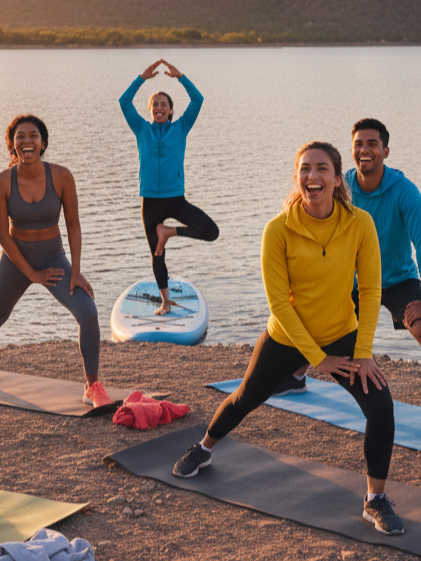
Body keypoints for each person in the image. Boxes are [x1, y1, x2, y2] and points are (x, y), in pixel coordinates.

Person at [172, 142, 404, 535]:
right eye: (305, 169)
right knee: (245, 397)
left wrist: (363, 352)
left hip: (341, 334)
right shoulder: (278, 230)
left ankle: (375, 500)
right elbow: (279, 303)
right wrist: (317, 359)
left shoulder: (360, 223)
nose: (313, 176)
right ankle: (205, 447)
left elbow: (370, 291)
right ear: (297, 178)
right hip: (287, 336)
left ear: (337, 178)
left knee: (381, 407)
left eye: (322, 168)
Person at [275, 118, 421, 449]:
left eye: (372, 144)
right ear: (351, 150)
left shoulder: (404, 192)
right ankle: (297, 376)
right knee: (314, 316)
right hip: (355, 280)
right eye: (359, 144)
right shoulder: (342, 186)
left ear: (385, 151)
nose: (365, 150)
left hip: (398, 279)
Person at [0, 115, 111, 408]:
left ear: (43, 142)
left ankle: (92, 386)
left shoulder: (62, 176)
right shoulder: (1, 182)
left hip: (54, 258)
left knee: (88, 312)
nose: (27, 141)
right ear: (12, 144)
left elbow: (73, 224)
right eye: (20, 136)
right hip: (15, 261)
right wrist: (30, 273)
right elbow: (2, 235)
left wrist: (76, 271)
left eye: (33, 136)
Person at [119, 59, 219, 315]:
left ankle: (169, 232)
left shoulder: (181, 128)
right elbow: (124, 102)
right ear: (150, 110)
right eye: (155, 104)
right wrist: (141, 78)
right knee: (157, 254)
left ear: (171, 111)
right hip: (151, 201)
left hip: (176, 199)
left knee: (211, 231)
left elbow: (197, 100)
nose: (159, 107)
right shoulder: (141, 128)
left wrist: (181, 77)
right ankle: (165, 301)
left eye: (164, 104)